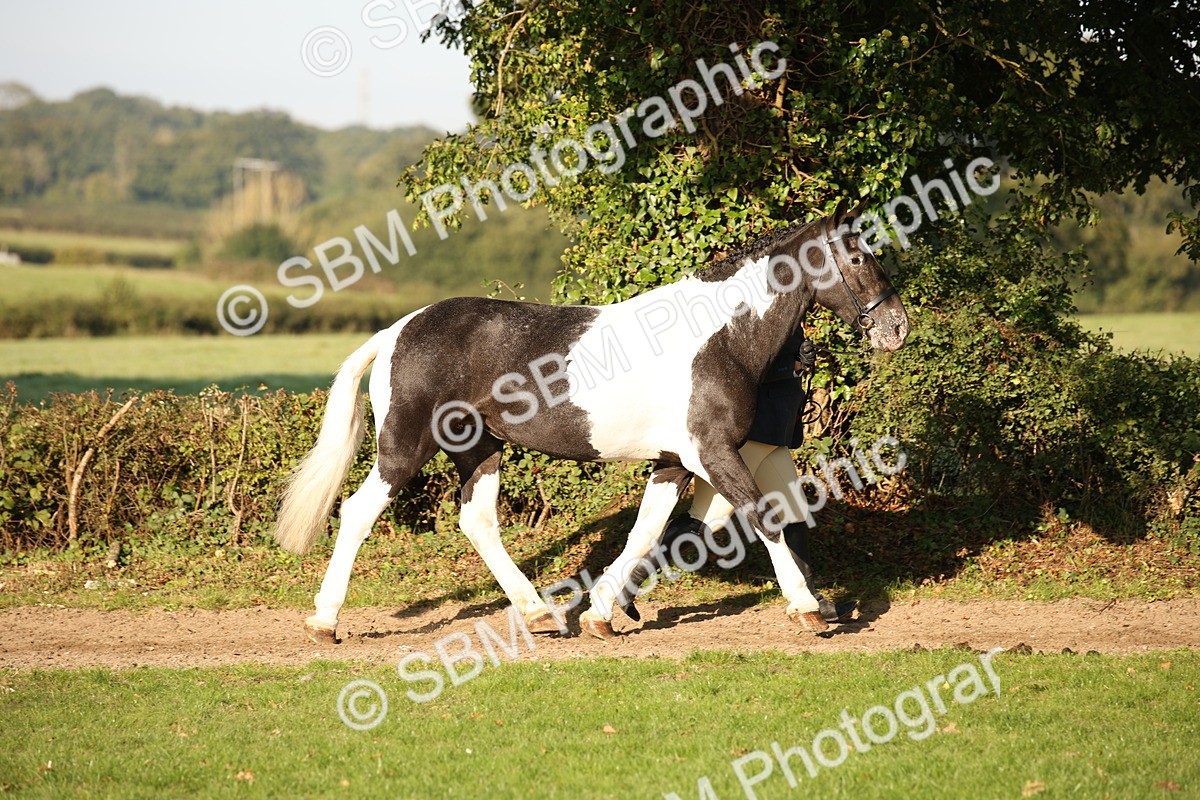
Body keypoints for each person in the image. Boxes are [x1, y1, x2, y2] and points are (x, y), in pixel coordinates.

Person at [620, 327, 854, 624]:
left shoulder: (791, 315)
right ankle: (629, 580)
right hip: (750, 438)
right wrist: (790, 365)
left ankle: (811, 599)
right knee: (708, 521)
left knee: (794, 514)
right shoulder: (757, 314)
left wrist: (799, 362)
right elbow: (745, 369)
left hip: (775, 436)